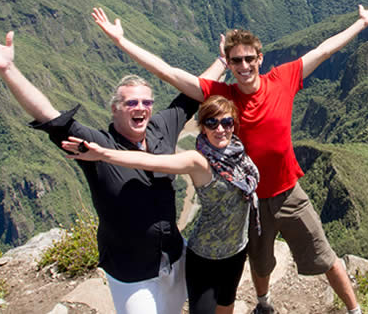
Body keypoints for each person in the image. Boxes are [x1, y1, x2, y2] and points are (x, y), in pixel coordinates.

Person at [92, 2, 368, 314]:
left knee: (324, 255)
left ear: (260, 58)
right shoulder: (223, 95)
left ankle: (355, 310)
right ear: (230, 64)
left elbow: (325, 49)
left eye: (250, 58)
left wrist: (362, 23)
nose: (245, 65)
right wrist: (120, 41)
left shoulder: (283, 78)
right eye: (237, 61)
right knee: (260, 263)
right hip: (247, 201)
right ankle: (263, 304)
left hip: (289, 192)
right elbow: (168, 72)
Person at [0, 22, 225, 314]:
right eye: (131, 103)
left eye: (146, 102)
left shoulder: (161, 127)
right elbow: (49, 115)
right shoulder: (97, 146)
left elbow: (193, 92)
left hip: (174, 258)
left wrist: (223, 61)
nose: (141, 107)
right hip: (131, 272)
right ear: (115, 108)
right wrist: (8, 70)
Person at [61, 95, 258, 314]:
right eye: (212, 123)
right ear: (202, 128)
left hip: (237, 249)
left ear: (234, 124)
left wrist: (223, 64)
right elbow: (151, 161)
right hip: (206, 256)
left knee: (226, 305)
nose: (220, 129)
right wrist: (104, 154)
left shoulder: (237, 151)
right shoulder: (198, 161)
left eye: (226, 122)